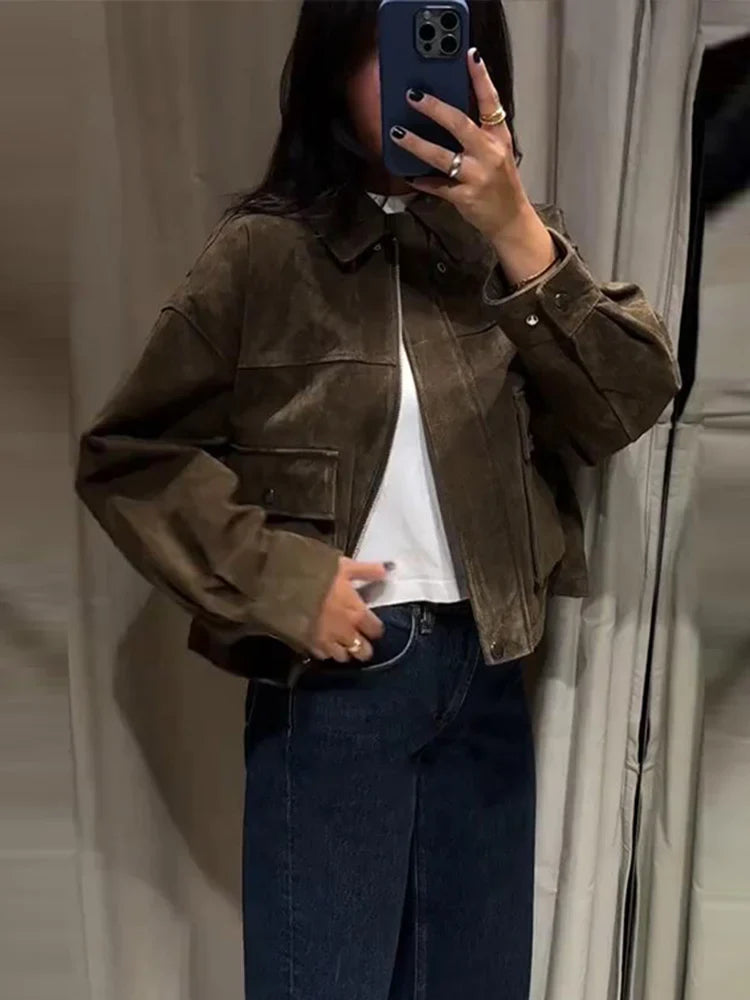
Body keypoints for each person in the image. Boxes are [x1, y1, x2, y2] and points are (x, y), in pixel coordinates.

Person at [74, 2, 681, 997]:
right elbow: (130, 453)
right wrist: (281, 580)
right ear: (331, 64)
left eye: (439, 43)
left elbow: (629, 402)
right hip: (342, 682)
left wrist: (516, 228)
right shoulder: (265, 256)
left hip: (487, 672)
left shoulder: (509, 244)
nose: (408, 79)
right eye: (383, 47)